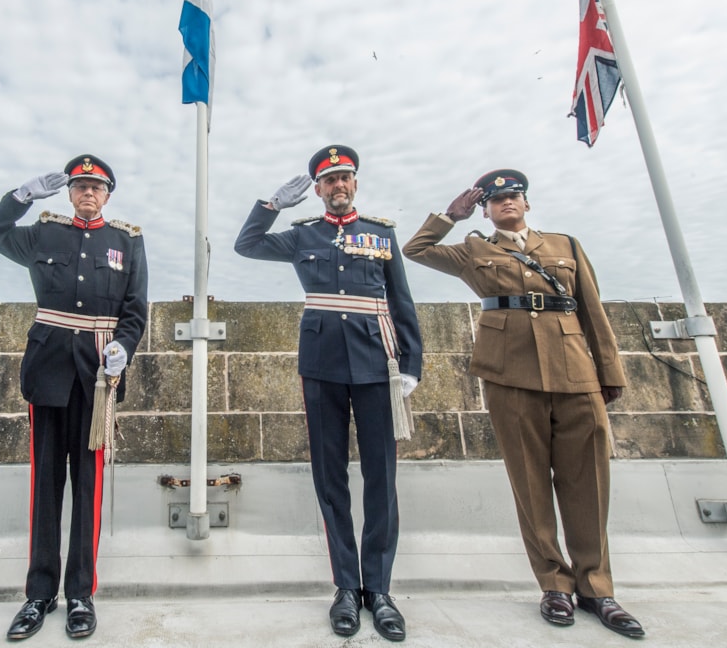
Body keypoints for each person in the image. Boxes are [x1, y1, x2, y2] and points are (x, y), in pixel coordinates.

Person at [401, 169, 645, 639]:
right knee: (530, 482)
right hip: (510, 374)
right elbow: (416, 250)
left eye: (513, 196)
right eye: (496, 200)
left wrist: (609, 372)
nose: (506, 203)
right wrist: (450, 216)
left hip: (575, 371)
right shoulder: (475, 250)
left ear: (527, 203)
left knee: (589, 482)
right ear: (486, 209)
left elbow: (592, 309)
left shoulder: (565, 245)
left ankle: (597, 587)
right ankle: (555, 585)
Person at [234, 145, 421, 642]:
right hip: (322, 366)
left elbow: (401, 300)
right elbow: (246, 245)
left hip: (378, 366)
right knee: (329, 477)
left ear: (355, 184)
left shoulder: (380, 234)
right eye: (329, 181)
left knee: (381, 478)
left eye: (345, 178)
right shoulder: (303, 236)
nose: (338, 186)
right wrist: (271, 206)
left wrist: (412, 365)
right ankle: (345, 585)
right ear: (317, 190)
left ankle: (378, 591)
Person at [0, 154, 147, 641]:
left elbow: (136, 308)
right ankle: (38, 594)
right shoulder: (41, 233)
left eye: (96, 187)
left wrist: (124, 347)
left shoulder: (127, 239)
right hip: (49, 369)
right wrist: (21, 196)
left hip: (97, 373)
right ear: (68, 192)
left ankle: (81, 594)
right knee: (45, 487)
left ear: (108, 194)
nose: (87, 193)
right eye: (79, 186)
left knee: (88, 489)